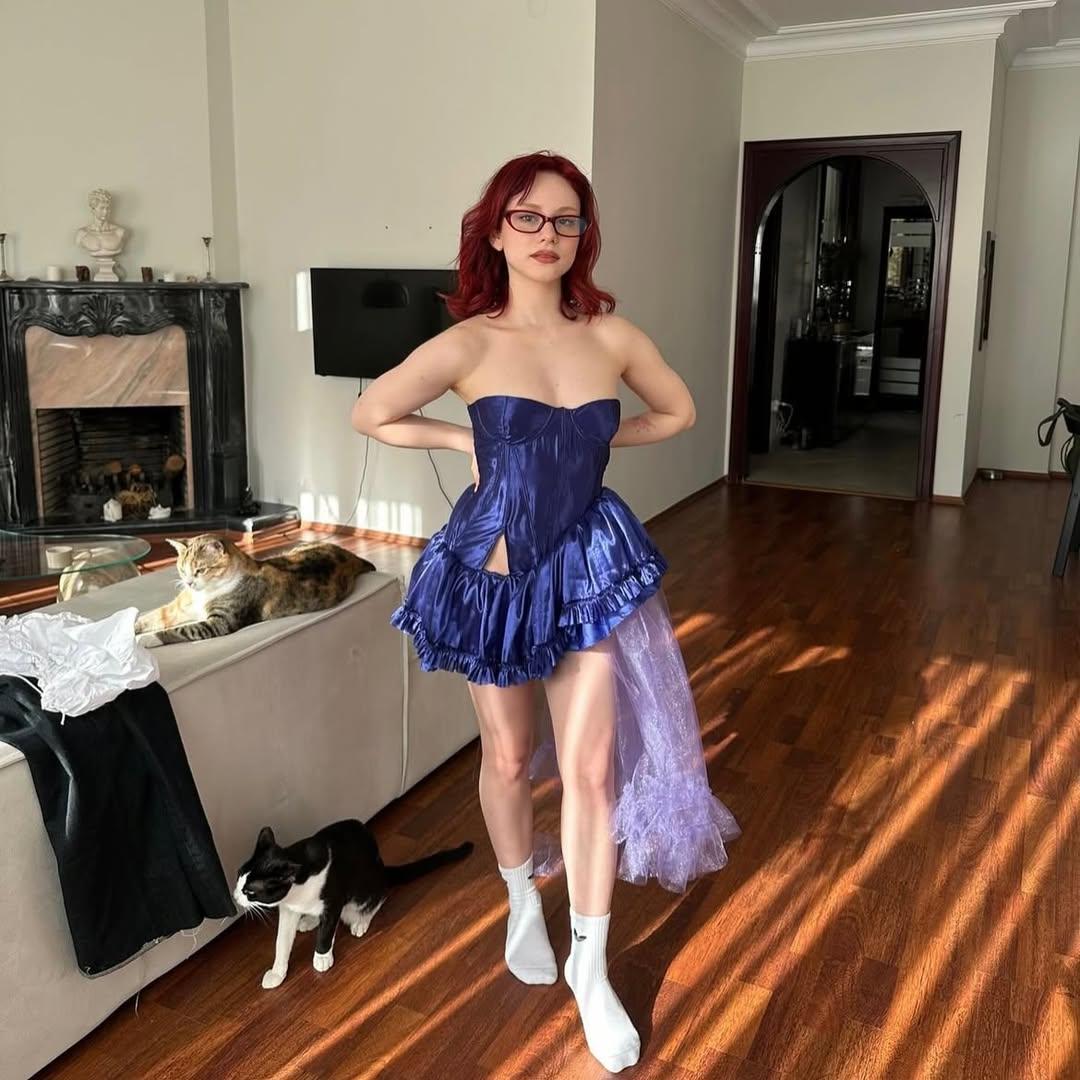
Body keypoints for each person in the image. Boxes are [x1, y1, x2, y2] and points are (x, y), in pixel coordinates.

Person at [351, 150, 739, 1073]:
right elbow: (373, 413)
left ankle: (590, 967)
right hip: (492, 569)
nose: (548, 234)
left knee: (591, 773)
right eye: (527, 216)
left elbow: (678, 413)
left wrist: (591, 446)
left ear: (582, 235)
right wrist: (465, 439)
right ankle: (522, 898)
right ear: (494, 231)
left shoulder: (611, 336)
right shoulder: (468, 343)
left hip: (588, 563)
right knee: (509, 757)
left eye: (566, 219)